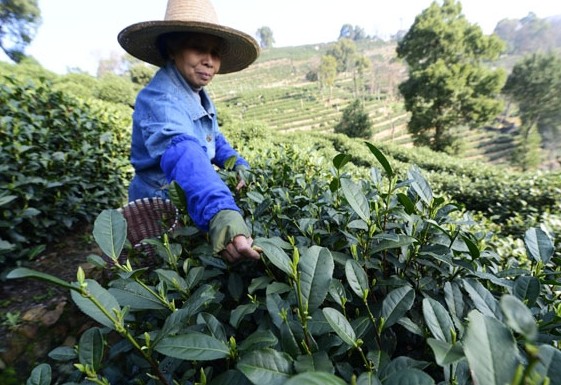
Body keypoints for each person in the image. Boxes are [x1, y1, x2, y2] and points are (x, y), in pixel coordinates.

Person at [117, 0, 260, 263]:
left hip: (188, 195)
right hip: (158, 207)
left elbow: (213, 136)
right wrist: (221, 214)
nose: (209, 61)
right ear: (172, 48)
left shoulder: (196, 93)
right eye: (198, 48)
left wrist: (237, 163)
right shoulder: (160, 99)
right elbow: (184, 153)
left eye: (215, 52)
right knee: (160, 271)